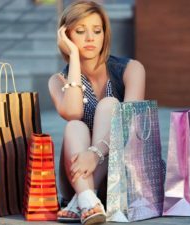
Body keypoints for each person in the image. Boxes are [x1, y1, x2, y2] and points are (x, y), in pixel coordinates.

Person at [48, 1, 145, 224]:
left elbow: (129, 125)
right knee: (75, 125)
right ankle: (88, 198)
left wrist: (95, 153)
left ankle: (84, 202)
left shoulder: (131, 69)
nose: (90, 38)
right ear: (67, 37)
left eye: (97, 30)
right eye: (80, 32)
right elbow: (73, 112)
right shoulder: (57, 81)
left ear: (105, 34)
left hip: (121, 175)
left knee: (109, 105)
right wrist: (73, 57)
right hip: (75, 176)